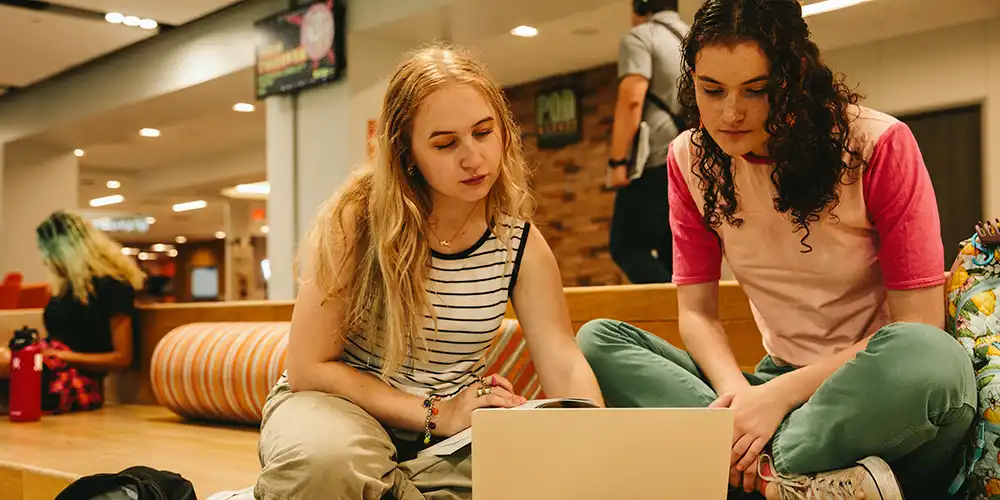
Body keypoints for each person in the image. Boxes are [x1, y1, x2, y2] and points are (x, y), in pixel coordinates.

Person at [578, 0, 975, 499]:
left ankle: (750, 468)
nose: (730, 113)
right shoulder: (688, 159)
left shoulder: (877, 144)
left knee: (934, 360)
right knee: (598, 342)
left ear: (794, 79)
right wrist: (740, 401)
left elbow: (919, 326)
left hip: (869, 388)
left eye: (756, 90)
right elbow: (697, 316)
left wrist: (778, 399)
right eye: (712, 90)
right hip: (771, 384)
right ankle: (790, 478)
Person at [253, 46, 604, 500]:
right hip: (341, 409)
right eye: (445, 144)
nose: (473, 157)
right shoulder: (357, 220)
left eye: (483, 132)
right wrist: (438, 413)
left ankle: (377, 488)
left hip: (449, 435)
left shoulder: (519, 242)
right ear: (407, 153)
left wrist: (598, 445)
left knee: (550, 467)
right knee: (326, 465)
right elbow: (307, 368)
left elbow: (563, 360)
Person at [0, 211, 143, 411]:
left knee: (8, 362)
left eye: (47, 252)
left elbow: (122, 358)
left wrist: (63, 356)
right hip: (49, 364)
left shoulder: (112, 286)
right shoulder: (65, 289)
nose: (45, 261)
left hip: (77, 380)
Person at [606, 0, 689, 284]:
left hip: (655, 159)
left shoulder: (641, 37)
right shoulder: (696, 38)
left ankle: (669, 304)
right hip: (692, 158)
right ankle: (685, 307)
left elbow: (631, 100)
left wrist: (618, 162)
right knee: (673, 250)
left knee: (626, 246)